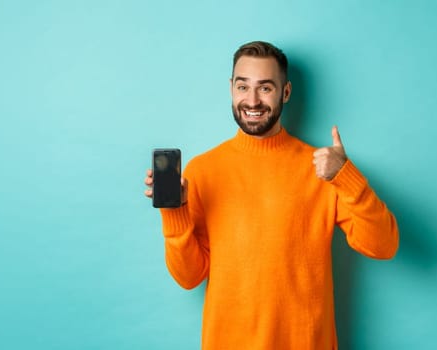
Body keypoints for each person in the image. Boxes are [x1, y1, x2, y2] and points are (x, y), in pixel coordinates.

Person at [142, 41, 399, 349]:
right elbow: (189, 277)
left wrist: (347, 177)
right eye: (243, 87)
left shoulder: (322, 169)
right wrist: (174, 211)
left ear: (285, 92)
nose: (252, 100)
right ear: (231, 89)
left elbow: (383, 245)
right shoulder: (202, 171)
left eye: (265, 88)